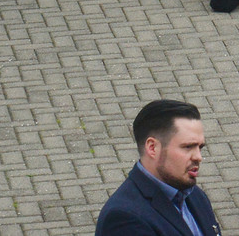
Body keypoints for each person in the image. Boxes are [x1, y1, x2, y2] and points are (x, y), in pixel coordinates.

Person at [93, 99, 222, 236]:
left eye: (200, 147)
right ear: (153, 147)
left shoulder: (195, 195)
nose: (198, 157)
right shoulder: (124, 218)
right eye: (188, 147)